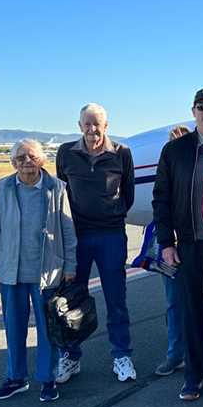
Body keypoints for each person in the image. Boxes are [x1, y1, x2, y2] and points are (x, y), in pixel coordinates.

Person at [0, 139, 77, 402]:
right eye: (21, 158)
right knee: (14, 326)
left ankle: (47, 379)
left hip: (46, 272)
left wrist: (71, 265)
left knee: (48, 330)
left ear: (42, 160)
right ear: (13, 162)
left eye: (32, 156)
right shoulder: (4, 187)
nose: (27, 162)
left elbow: (68, 230)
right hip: (9, 271)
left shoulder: (57, 188)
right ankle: (16, 378)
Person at [153, 88, 203, 400]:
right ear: (194, 111)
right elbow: (162, 197)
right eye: (202, 106)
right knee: (192, 312)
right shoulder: (176, 151)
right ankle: (194, 376)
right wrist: (166, 242)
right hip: (190, 244)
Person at [55, 103, 136, 383]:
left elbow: (128, 194)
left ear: (106, 126)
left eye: (97, 124)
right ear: (80, 126)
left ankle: (122, 355)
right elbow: (63, 187)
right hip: (77, 238)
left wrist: (111, 214)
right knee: (71, 299)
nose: (92, 130)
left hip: (111, 235)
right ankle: (71, 355)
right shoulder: (66, 153)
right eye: (87, 124)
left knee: (116, 298)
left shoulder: (122, 153)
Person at [153, 124, 190, 377]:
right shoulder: (166, 166)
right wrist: (167, 242)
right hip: (169, 244)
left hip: (198, 243)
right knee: (173, 303)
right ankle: (175, 354)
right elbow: (159, 203)